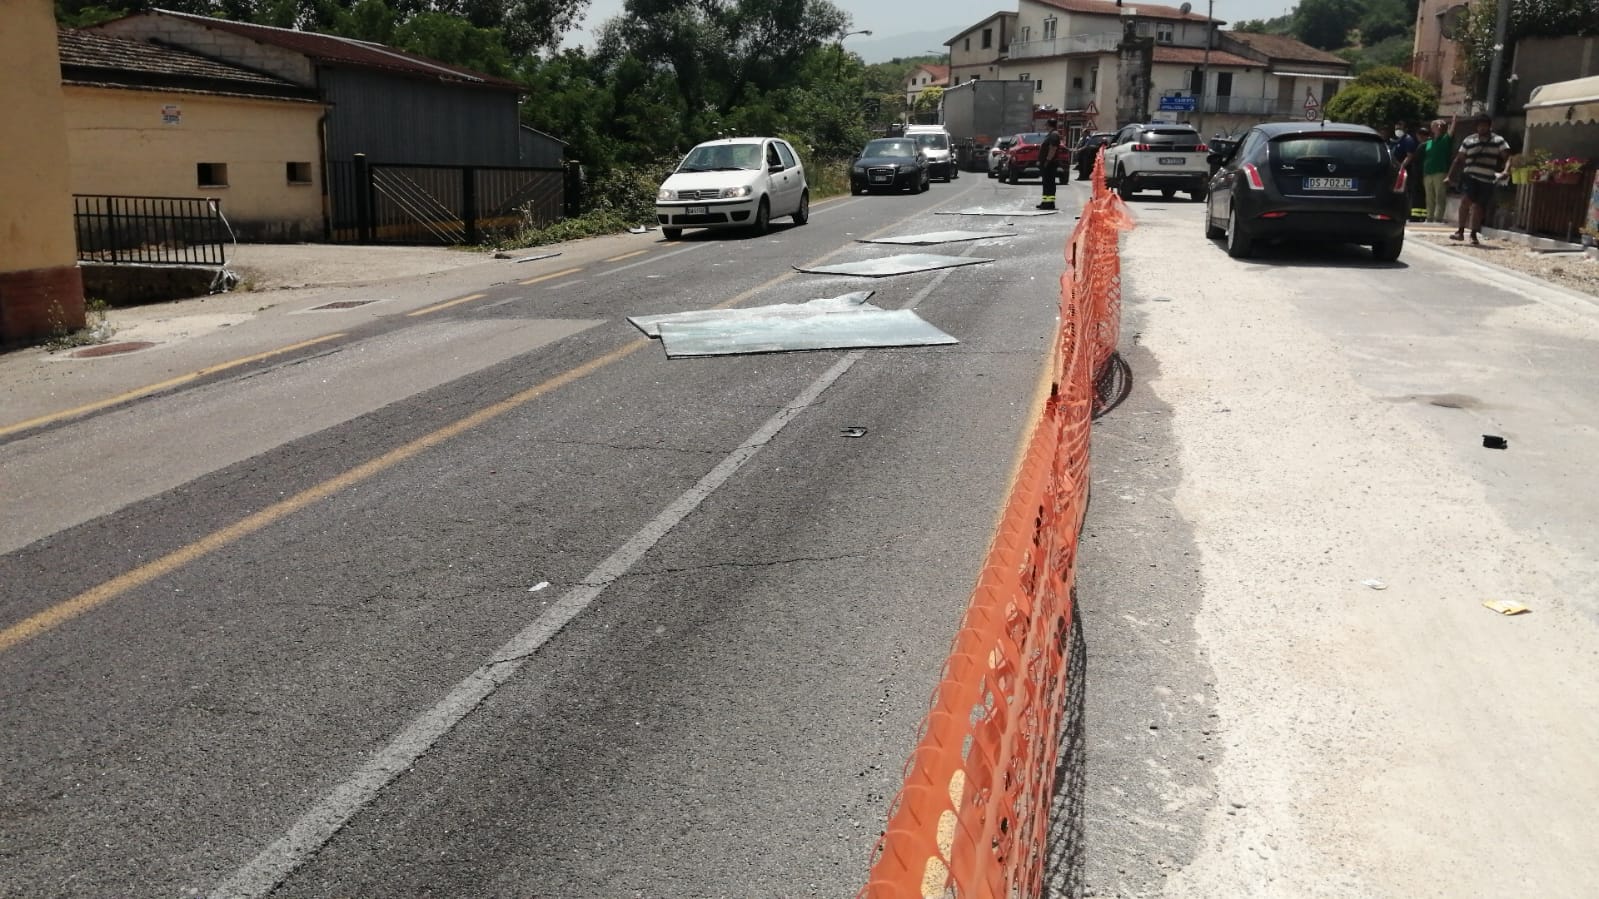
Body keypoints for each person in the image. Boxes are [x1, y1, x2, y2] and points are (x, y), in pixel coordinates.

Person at [1447, 114, 1510, 245]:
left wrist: (1505, 171)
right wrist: (1450, 175)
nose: (1482, 128)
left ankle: (1474, 233)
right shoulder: (1469, 140)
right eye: (1480, 125)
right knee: (1466, 201)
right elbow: (1459, 158)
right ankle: (1460, 231)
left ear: (1489, 126)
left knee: (1479, 206)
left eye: (1484, 125)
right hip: (1470, 176)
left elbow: (1508, 157)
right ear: (1476, 126)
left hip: (1487, 179)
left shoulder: (1498, 140)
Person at [1420, 117, 1455, 223]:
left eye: (1441, 125)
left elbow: (1451, 132)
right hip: (1428, 172)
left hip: (1440, 171)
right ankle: (1429, 217)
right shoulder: (1429, 142)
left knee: (1440, 196)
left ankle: (1438, 218)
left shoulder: (1445, 139)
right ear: (1432, 128)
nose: (1439, 127)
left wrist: (1454, 121)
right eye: (1436, 125)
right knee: (1429, 197)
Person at [1037, 120, 1063, 211]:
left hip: (1050, 163)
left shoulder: (1054, 135)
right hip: (1049, 162)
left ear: (1049, 125)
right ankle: (1046, 202)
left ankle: (1049, 204)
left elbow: (1053, 148)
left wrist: (1047, 160)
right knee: (1047, 184)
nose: (1045, 126)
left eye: (1046, 124)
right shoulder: (1052, 134)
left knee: (1049, 184)